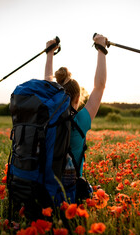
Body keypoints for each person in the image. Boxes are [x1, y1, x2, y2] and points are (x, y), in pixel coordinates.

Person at [44, 34, 108, 202]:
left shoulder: (47, 116)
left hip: (43, 189)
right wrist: (101, 49)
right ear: (77, 98)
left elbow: (47, 81)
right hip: (70, 195)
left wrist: (50, 53)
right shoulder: (81, 120)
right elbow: (99, 87)